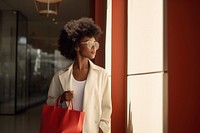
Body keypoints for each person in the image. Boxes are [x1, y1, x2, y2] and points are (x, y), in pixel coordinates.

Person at [46, 17, 112, 133]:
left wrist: (103, 129)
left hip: (92, 130)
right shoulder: (60, 76)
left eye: (95, 44)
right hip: (67, 129)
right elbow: (50, 103)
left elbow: (107, 108)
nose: (94, 47)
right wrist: (61, 98)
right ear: (76, 46)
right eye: (89, 43)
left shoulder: (102, 75)